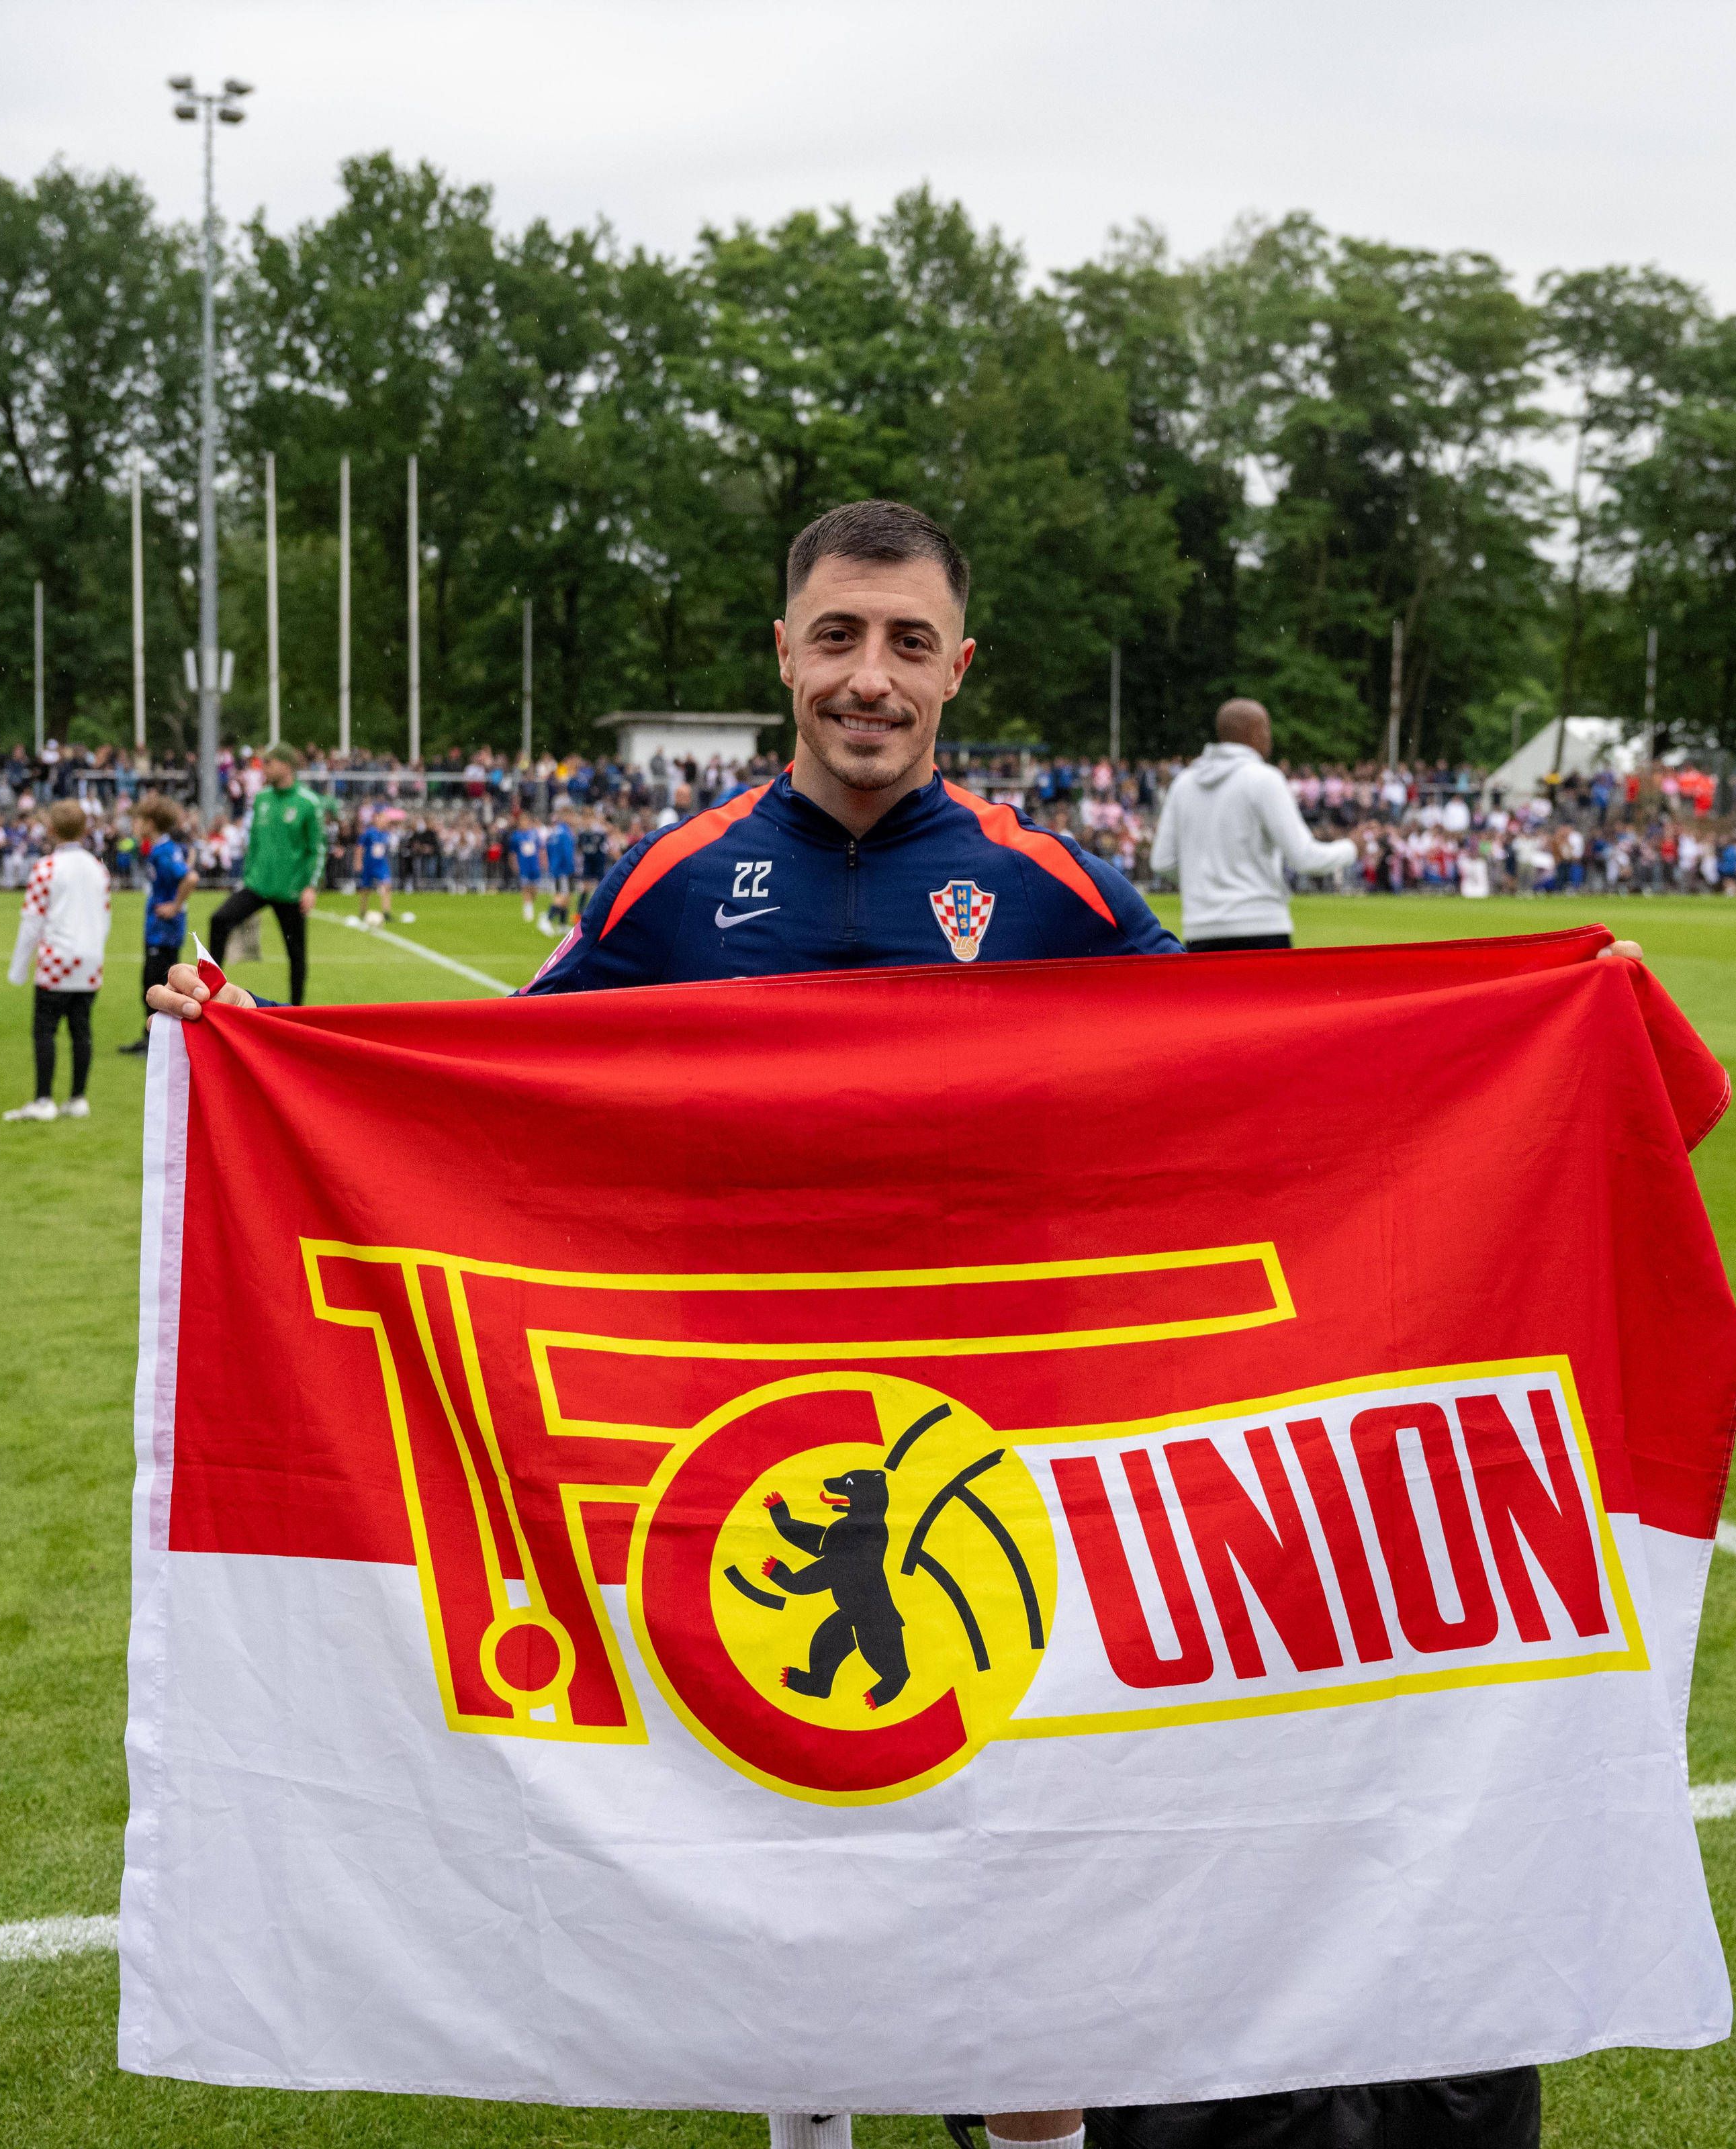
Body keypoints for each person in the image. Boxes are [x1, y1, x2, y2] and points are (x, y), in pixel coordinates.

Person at [158, 499, 1610, 2149]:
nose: (868, 676)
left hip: (995, 1467)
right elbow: (482, 1101)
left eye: (906, 643)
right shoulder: (676, 885)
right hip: (731, 1451)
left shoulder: (1042, 886)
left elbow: (1247, 1070)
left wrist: (1544, 1025)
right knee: (773, 1888)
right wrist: (259, 1057)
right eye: (837, 637)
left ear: (957, 669)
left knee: (1018, 1941)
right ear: (781, 652)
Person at [1150, 700, 1359, 950]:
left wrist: (1207, 883)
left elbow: (1162, 861)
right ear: (1253, 732)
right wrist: (1351, 847)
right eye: (1266, 730)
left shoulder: (1184, 783)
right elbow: (1304, 857)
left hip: (1202, 930)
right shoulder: (1264, 779)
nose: (1269, 738)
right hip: (1262, 927)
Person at [5, 798, 113, 1121]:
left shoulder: (46, 868)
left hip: (57, 959)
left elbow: (32, 921)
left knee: (45, 1029)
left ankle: (43, 1099)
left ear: (50, 829)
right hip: (90, 960)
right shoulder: (99, 868)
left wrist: (18, 968)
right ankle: (78, 1097)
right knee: (82, 1030)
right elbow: (105, 915)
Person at [206, 747, 327, 1006]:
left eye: (269, 763)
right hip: (257, 886)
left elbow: (317, 849)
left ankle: (296, 1012)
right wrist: (248, 876)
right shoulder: (261, 799)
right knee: (219, 920)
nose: (263, 768)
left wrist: (311, 887)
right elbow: (255, 844)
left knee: (297, 955)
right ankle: (211, 994)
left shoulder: (309, 803)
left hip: (291, 892)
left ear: (286, 765)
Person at [121, 795, 197, 1056]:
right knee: (153, 980)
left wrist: (175, 906)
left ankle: (157, 1040)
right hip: (160, 928)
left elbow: (189, 877)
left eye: (139, 819)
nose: (135, 824)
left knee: (155, 982)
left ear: (150, 823)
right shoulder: (164, 848)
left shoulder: (163, 852)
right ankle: (151, 1038)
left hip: (163, 930)